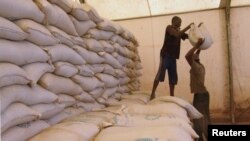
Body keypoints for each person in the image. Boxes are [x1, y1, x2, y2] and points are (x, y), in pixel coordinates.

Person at [150, 16, 193, 99]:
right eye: (179, 22)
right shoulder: (169, 28)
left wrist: (195, 32)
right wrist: (188, 27)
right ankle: (153, 93)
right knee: (160, 74)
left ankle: (172, 95)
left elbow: (187, 36)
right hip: (165, 55)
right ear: (174, 22)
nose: (180, 23)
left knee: (173, 76)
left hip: (173, 57)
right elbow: (177, 35)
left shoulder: (178, 31)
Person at [185, 37, 211, 141]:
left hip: (199, 95)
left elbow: (187, 56)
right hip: (204, 94)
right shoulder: (200, 65)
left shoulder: (195, 66)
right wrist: (200, 46)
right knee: (206, 117)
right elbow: (196, 56)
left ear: (193, 61)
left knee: (197, 118)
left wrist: (196, 45)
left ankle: (199, 138)